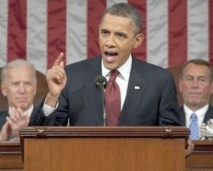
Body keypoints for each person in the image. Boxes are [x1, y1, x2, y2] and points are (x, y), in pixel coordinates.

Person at [30, 3, 193, 156]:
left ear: (137, 40)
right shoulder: (73, 76)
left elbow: (172, 139)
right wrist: (52, 98)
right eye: (105, 33)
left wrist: (180, 148)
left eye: (120, 35)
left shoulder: (159, 81)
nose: (110, 42)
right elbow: (42, 138)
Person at [0, 59, 37, 141]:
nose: (22, 90)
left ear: (34, 89)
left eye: (27, 84)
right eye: (15, 84)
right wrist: (1, 140)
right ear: (4, 89)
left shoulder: (49, 121)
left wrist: (26, 133)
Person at [178, 59, 213, 140]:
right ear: (180, 85)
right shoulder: (168, 120)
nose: (195, 85)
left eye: (202, 80)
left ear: (211, 87)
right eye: (189, 79)